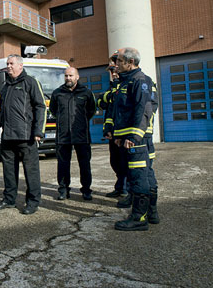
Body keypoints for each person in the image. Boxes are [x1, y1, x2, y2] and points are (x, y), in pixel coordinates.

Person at [0, 54, 46, 215]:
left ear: (20, 65)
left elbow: (41, 107)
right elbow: (2, 113)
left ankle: (32, 202)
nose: (8, 66)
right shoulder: (5, 87)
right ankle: (9, 199)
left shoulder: (31, 82)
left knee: (31, 172)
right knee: (9, 171)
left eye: (11, 63)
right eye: (7, 64)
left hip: (26, 137)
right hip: (8, 137)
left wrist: (39, 131)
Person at [105, 47, 159, 231]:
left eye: (119, 61)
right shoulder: (125, 82)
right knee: (141, 175)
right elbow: (120, 112)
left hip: (138, 139)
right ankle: (149, 214)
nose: (116, 64)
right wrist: (119, 136)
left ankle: (139, 218)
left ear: (130, 63)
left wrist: (134, 136)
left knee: (139, 177)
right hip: (128, 138)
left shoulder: (140, 81)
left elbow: (142, 110)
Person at [49, 67, 96, 201]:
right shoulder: (57, 93)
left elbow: (91, 111)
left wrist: (81, 123)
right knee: (63, 165)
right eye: (66, 76)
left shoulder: (86, 93)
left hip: (82, 136)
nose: (68, 78)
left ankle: (86, 190)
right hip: (63, 136)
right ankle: (63, 190)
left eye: (71, 75)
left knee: (85, 164)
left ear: (77, 77)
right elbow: (53, 110)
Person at [98, 52, 127, 198]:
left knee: (125, 162)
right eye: (111, 71)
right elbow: (105, 106)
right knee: (115, 161)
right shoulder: (112, 88)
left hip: (125, 132)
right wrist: (108, 129)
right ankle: (120, 186)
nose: (113, 73)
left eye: (114, 70)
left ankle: (126, 189)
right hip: (113, 133)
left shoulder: (126, 85)